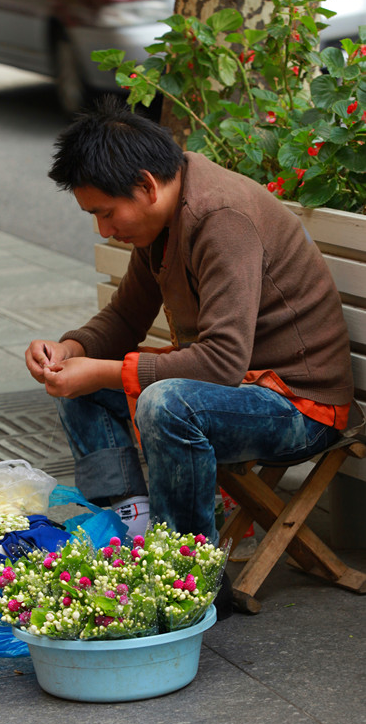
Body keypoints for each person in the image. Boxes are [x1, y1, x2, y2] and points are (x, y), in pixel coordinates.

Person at [25, 96, 353, 562]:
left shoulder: (220, 219)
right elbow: (124, 318)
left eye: (105, 212)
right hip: (239, 387)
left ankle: (185, 572)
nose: (102, 230)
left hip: (299, 406)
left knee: (166, 405)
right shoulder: (164, 212)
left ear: (146, 186)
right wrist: (68, 349)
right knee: (79, 383)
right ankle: (129, 528)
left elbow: (221, 361)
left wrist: (100, 371)